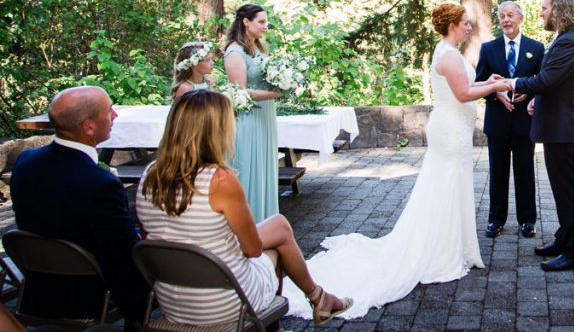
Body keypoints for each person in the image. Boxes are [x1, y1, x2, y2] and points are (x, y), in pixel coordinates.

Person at [279, 2, 511, 319]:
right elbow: (463, 94)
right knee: (446, 188)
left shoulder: (446, 52)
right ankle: (442, 252)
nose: (469, 27)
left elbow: (468, 87)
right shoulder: (450, 55)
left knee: (448, 188)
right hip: (450, 132)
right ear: (452, 25)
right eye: (465, 23)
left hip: (452, 129)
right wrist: (498, 85)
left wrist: (488, 82)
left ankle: (452, 246)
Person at [136, 89, 352, 326]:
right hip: (223, 304)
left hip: (173, 301)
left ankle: (319, 299)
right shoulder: (219, 180)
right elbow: (252, 249)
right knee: (275, 248)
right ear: (215, 131)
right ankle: (295, 313)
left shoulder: (149, 175)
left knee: (278, 225)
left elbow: (151, 239)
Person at [9, 86, 148, 329]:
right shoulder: (100, 184)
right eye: (108, 111)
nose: (115, 116)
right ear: (88, 127)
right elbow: (123, 257)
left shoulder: (26, 161)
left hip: (38, 290)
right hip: (88, 296)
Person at [509, 0, 574, 272]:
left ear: (558, 10)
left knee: (568, 191)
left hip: (565, 130)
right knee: (560, 189)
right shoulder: (563, 39)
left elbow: (546, 79)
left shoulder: (570, 42)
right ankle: (563, 239)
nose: (541, 13)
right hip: (559, 127)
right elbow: (556, 84)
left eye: (544, 8)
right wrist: (537, 102)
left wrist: (512, 83)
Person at [476, 0, 545, 239]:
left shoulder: (536, 48)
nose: (506, 20)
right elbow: (480, 82)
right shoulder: (488, 48)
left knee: (525, 172)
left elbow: (543, 81)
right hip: (497, 119)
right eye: (502, 16)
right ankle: (495, 220)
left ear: (520, 19)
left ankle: (527, 220)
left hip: (525, 120)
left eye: (511, 15)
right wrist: (496, 91)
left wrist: (531, 91)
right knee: (497, 171)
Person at [223, 3, 282, 222]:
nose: (265, 26)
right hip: (248, 118)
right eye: (261, 22)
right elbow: (241, 92)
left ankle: (266, 219)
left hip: (264, 116)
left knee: (265, 170)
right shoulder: (235, 53)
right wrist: (276, 94)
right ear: (246, 22)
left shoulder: (257, 48)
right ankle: (249, 222)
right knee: (250, 170)